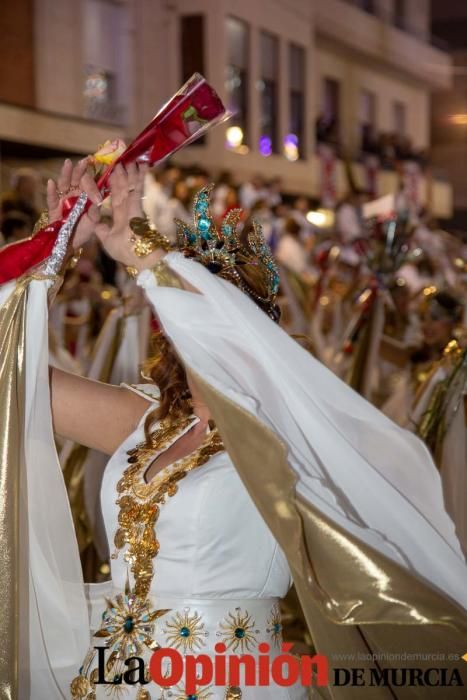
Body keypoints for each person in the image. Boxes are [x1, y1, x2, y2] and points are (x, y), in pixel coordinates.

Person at [1, 160, 467, 700]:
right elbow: (9, 376)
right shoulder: (150, 421)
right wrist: (56, 250)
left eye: (208, 306)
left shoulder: (287, 436)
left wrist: (148, 258)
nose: (191, 321)